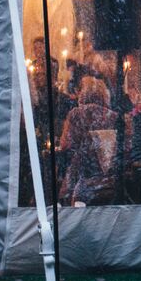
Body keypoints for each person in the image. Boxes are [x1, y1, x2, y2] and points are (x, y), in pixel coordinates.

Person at [57, 78, 120, 206]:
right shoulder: (113, 116)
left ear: (83, 94)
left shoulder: (76, 114)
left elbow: (65, 144)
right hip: (107, 175)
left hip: (81, 173)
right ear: (104, 95)